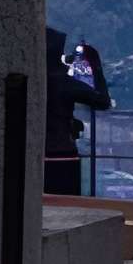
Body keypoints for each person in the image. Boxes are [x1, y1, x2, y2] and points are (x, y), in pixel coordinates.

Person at [45, 28, 112, 196]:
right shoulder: (63, 84)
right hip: (62, 154)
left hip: (37, 153)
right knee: (65, 204)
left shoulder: (38, 81)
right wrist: (95, 66)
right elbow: (103, 101)